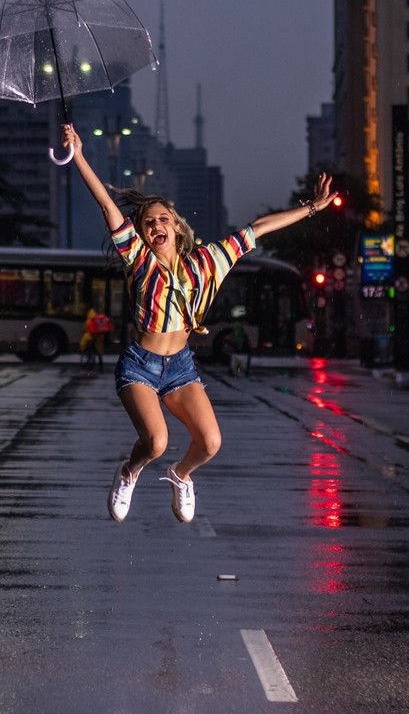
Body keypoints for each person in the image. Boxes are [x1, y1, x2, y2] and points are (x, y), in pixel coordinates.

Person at [62, 124, 336, 524]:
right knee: (156, 442)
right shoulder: (139, 261)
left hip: (181, 369)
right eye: (148, 223)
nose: (155, 226)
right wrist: (79, 155)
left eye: (161, 220)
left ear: (175, 225)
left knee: (210, 442)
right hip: (140, 364)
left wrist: (312, 207)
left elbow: (258, 228)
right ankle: (129, 471)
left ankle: (180, 475)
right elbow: (107, 205)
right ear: (142, 233)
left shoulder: (208, 262)